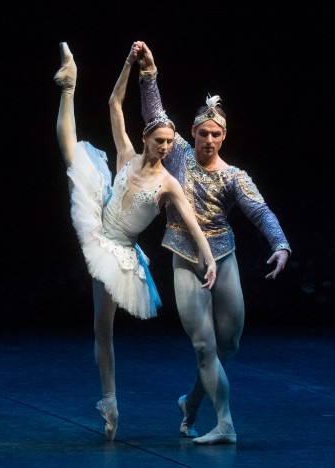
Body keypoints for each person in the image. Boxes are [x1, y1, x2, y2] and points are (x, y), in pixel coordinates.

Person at [54, 42, 217, 442]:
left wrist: (208, 258)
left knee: (103, 329)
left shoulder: (169, 183)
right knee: (72, 153)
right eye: (159, 140)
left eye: (169, 142)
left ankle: (110, 403)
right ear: (147, 139)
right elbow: (114, 102)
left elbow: (194, 224)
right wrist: (128, 62)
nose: (165, 147)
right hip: (99, 222)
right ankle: (68, 86)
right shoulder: (126, 153)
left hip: (119, 252)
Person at [132, 41, 292, 445]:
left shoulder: (234, 176)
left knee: (228, 345)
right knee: (204, 345)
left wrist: (281, 244)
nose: (208, 139)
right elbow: (154, 115)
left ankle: (192, 403)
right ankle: (225, 423)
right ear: (193, 133)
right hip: (184, 255)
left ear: (224, 136)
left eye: (215, 134)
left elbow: (261, 211)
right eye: (202, 132)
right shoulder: (177, 155)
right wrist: (149, 72)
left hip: (224, 254)